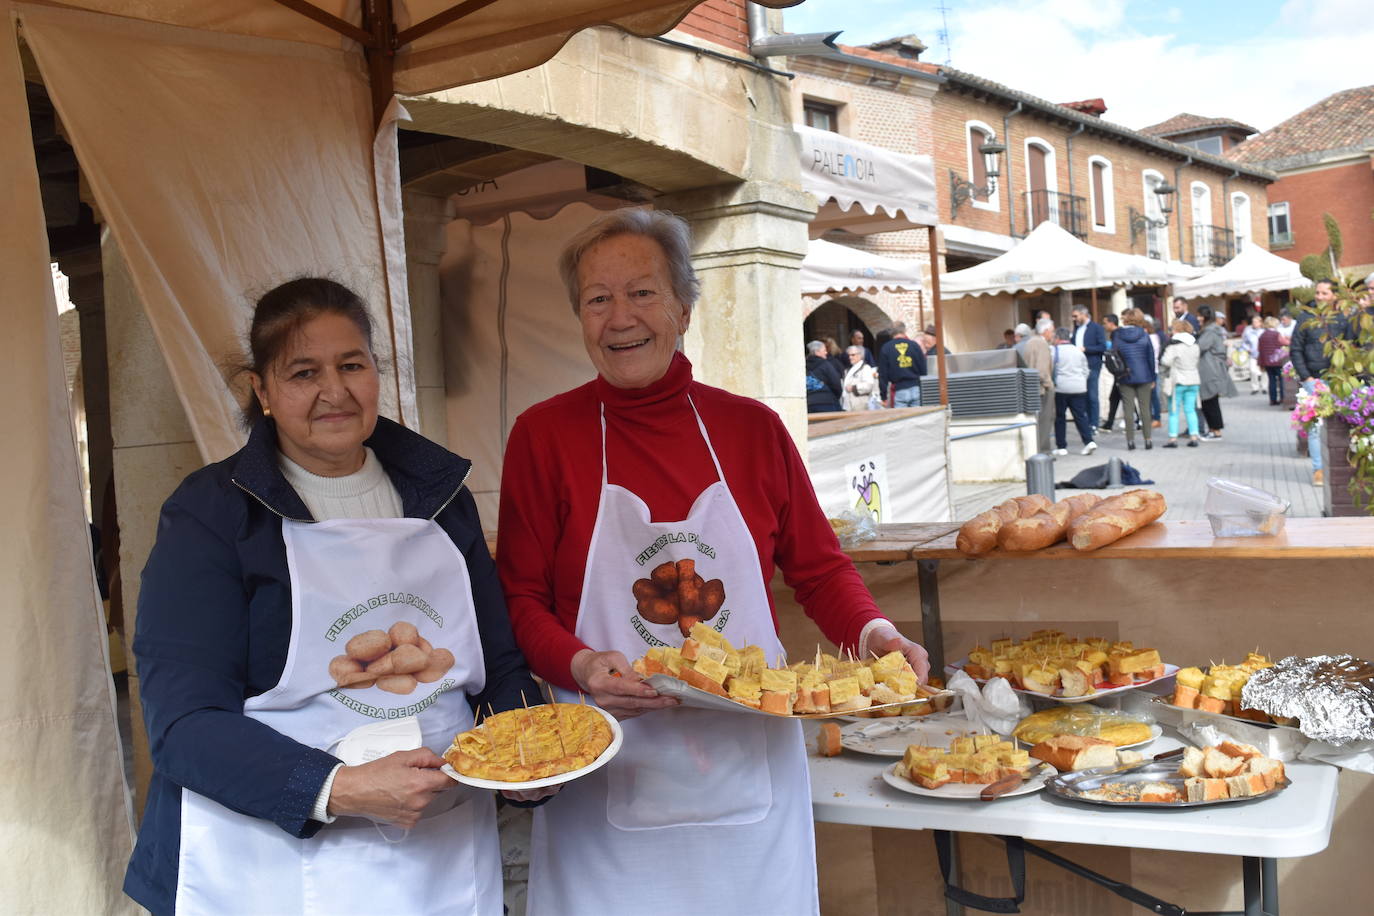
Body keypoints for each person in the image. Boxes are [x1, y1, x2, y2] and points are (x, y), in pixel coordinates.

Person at [497, 209, 931, 915]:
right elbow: (519, 598)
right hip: (609, 758)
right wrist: (579, 665)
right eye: (596, 299)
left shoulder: (751, 429)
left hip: (747, 767)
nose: (619, 318)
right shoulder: (543, 437)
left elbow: (819, 571)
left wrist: (876, 635)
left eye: (641, 292)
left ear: (684, 308)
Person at [123, 278, 543, 915]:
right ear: (262, 391)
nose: (335, 391)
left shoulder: (442, 498)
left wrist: (527, 759)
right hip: (272, 863)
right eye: (303, 372)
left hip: (443, 850)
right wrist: (338, 788)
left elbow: (499, 666)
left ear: (378, 372)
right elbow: (184, 725)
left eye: (353, 365)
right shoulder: (213, 513)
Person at [1290, 279, 1347, 485]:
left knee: (1340, 424)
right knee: (1315, 426)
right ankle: (1319, 470)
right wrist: (1307, 377)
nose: (1320, 297)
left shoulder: (1342, 317)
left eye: (1324, 293)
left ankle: (1339, 467)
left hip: (1339, 379)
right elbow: (1295, 349)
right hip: (1313, 379)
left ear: (1334, 296)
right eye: (1318, 293)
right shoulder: (1305, 317)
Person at [1113, 309, 1157, 451]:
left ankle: (1130, 441)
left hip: (1125, 375)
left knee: (1128, 408)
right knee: (1145, 408)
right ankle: (1148, 440)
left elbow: (1114, 355)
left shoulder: (1118, 335)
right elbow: (1150, 357)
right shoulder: (1144, 335)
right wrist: (1152, 377)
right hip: (1144, 374)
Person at [1051, 328, 1096, 455]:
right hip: (1079, 387)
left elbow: (1051, 368)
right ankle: (1089, 441)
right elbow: (1086, 370)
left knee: (1060, 417)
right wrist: (1081, 380)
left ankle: (1061, 446)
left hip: (1061, 388)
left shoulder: (1054, 351)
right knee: (1080, 415)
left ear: (1058, 338)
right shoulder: (1078, 351)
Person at [1194, 304, 1235, 440]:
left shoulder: (1209, 331)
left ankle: (1216, 431)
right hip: (1212, 367)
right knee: (1210, 400)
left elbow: (1200, 347)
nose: (1197, 318)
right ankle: (1213, 429)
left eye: (1199, 315)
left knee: (1209, 400)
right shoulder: (1212, 330)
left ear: (1204, 316)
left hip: (1210, 368)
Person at [1160, 318, 1202, 447]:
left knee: (1174, 411)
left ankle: (1173, 439)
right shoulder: (1195, 346)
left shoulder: (1174, 347)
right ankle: (1194, 436)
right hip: (1193, 380)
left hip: (1178, 381)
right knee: (1190, 410)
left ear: (1178, 331)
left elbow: (1165, 361)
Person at [1070, 305, 1107, 427]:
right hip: (1078, 366)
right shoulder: (1077, 329)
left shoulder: (1096, 328)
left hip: (1092, 364)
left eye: (1075, 316)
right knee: (1082, 395)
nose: (1073, 319)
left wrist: (1086, 349)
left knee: (1092, 395)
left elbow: (1102, 347)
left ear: (1083, 314)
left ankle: (1094, 423)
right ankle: (1086, 422)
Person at [1024, 318, 1056, 454]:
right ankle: (1044, 451)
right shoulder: (1042, 344)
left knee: (1037, 420)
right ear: (1047, 331)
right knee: (1045, 420)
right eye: (1052, 331)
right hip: (1042, 388)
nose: (1053, 334)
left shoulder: (1029, 342)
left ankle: (1037, 449)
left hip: (1031, 386)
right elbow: (1042, 370)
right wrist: (1049, 385)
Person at [878, 321, 927, 408]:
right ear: (904, 331)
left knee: (902, 420)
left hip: (899, 389)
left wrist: (883, 396)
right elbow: (923, 369)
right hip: (916, 388)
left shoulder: (886, 348)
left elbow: (883, 375)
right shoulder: (914, 346)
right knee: (918, 419)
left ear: (891, 333)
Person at [1099, 313, 1123, 432]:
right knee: (1115, 397)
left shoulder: (1116, 335)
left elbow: (1116, 351)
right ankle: (1109, 423)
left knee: (1120, 397)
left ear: (1111, 323)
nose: (1104, 326)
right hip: (1120, 372)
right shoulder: (1117, 334)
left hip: (1120, 371)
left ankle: (1137, 421)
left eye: (1105, 323)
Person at [805, 339, 843, 413]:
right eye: (824, 350)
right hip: (827, 403)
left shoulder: (803, 366)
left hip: (809, 404)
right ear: (817, 352)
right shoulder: (826, 364)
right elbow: (836, 385)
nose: (826, 352)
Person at [1257, 316, 1288, 405]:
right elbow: (1284, 343)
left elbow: (1259, 349)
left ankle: (1273, 400)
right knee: (1282, 380)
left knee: (1272, 380)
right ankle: (1283, 398)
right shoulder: (1276, 334)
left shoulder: (1262, 335)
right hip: (1278, 361)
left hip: (1267, 362)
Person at [841, 344, 880, 410]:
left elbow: (868, 385)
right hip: (849, 406)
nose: (850, 357)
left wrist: (854, 388)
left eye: (853, 355)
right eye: (849, 355)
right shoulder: (847, 370)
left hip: (861, 405)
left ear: (860, 355)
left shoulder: (865, 368)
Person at [1241, 314, 1266, 395]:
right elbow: (1244, 342)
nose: (1254, 323)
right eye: (1253, 322)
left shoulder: (1264, 331)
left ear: (1260, 323)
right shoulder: (1248, 331)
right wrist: (1247, 349)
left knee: (1263, 372)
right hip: (1253, 354)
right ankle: (1255, 387)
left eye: (1256, 322)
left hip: (1262, 355)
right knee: (1253, 371)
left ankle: (1264, 387)